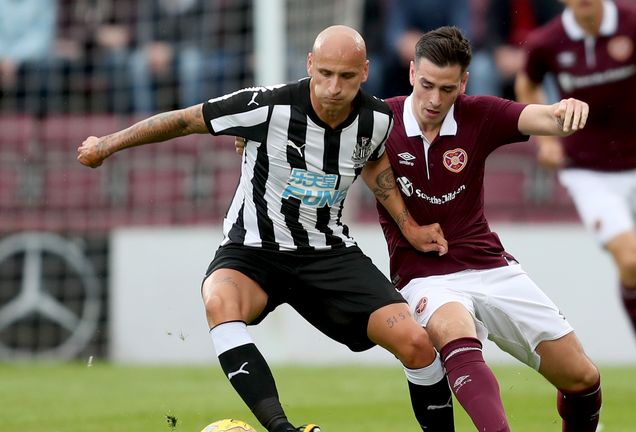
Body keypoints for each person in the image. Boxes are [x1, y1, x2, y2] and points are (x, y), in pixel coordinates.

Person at [78, 25, 457, 432]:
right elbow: (185, 120)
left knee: (417, 344)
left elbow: (374, 161)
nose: (333, 87)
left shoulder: (378, 119)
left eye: (346, 77)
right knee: (219, 301)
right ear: (310, 64)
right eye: (325, 73)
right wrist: (107, 145)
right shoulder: (266, 107)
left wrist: (409, 226)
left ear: (364, 72)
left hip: (327, 252)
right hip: (253, 249)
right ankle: (282, 429)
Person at [380, 25, 601, 432]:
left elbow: (540, 116)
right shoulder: (378, 120)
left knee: (583, 378)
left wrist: (565, 110)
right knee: (453, 329)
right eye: (426, 85)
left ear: (463, 82)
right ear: (411, 72)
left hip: (492, 267)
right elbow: (314, 116)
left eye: (447, 89)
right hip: (425, 276)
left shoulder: (478, 113)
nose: (434, 100)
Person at [515, 0, 636, 407]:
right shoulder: (547, 41)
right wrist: (547, 139)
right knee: (631, 262)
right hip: (588, 172)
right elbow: (526, 83)